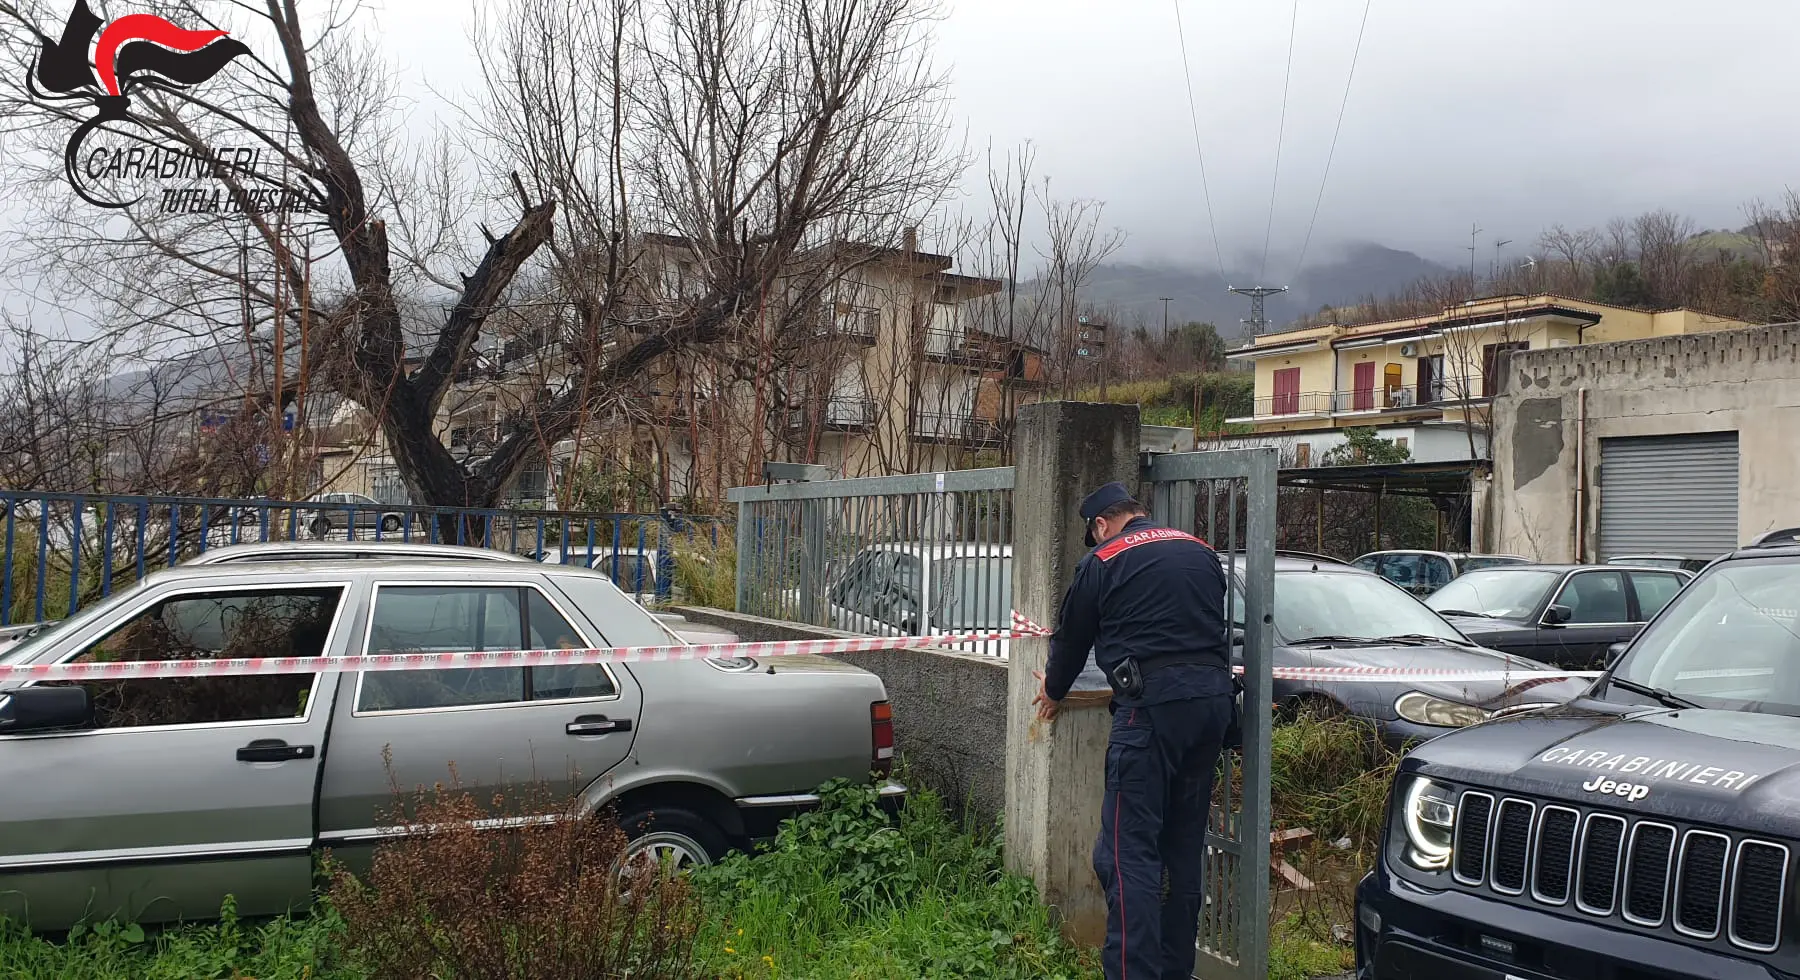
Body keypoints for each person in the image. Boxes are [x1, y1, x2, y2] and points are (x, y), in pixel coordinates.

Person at [1032, 481, 1235, 980]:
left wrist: (1053, 693)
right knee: (1184, 846)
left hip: (1150, 716)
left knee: (1127, 856)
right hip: (1212, 709)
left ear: (1100, 525)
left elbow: (1071, 639)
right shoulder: (1200, 550)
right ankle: (1175, 970)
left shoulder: (1102, 561)